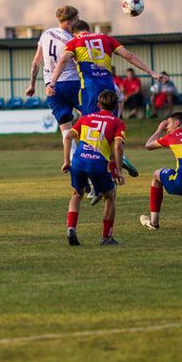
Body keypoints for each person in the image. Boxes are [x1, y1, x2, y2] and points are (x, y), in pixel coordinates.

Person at [48, 19, 160, 178]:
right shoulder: (106, 39)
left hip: (90, 90)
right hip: (109, 87)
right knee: (111, 129)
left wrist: (52, 82)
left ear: (74, 33)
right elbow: (129, 56)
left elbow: (63, 60)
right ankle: (115, 170)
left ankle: (94, 178)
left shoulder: (74, 42)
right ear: (89, 29)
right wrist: (152, 73)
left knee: (89, 131)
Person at [62, 90, 125, 246]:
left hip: (78, 161)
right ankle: (106, 237)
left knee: (77, 194)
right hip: (97, 164)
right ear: (116, 106)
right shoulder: (117, 122)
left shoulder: (85, 118)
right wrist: (119, 171)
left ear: (98, 104)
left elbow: (68, 136)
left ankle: (71, 228)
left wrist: (66, 161)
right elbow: (117, 146)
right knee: (110, 196)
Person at [26, 5, 83, 158]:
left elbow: (36, 62)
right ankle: (96, 152)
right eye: (77, 19)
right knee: (91, 116)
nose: (79, 21)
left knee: (64, 125)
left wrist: (32, 84)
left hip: (52, 87)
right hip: (72, 83)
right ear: (69, 22)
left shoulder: (46, 34)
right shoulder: (71, 39)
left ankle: (73, 160)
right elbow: (79, 63)